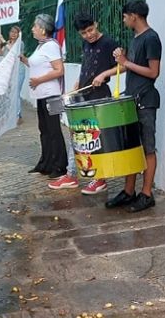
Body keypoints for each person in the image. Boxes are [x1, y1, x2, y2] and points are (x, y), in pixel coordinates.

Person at [92, 0, 162, 213]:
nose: (123, 20)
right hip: (131, 99)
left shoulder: (151, 38)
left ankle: (147, 193)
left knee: (148, 147)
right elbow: (127, 65)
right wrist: (107, 72)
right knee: (130, 146)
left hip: (146, 101)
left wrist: (125, 62)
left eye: (125, 16)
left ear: (134, 16)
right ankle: (129, 190)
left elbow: (153, 72)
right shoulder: (136, 38)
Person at [49, 12, 119, 192]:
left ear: (96, 24)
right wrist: (78, 83)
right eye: (84, 33)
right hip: (84, 95)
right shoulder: (86, 44)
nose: (89, 35)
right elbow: (87, 65)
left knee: (96, 139)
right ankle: (72, 175)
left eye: (91, 30)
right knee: (78, 136)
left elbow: (123, 65)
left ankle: (100, 178)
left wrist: (104, 75)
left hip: (100, 96)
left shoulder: (108, 43)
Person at [20, 14, 67, 179]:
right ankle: (46, 163)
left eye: (34, 26)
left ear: (42, 29)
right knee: (44, 130)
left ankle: (60, 165)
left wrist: (39, 80)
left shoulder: (51, 46)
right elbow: (37, 65)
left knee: (54, 130)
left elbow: (59, 70)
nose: (32, 29)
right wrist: (23, 59)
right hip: (41, 95)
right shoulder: (41, 46)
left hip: (52, 95)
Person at [0, 25, 25, 124]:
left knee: (16, 92)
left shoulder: (19, 43)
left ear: (18, 34)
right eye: (11, 32)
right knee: (10, 93)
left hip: (18, 71)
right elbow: (0, 53)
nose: (13, 34)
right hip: (8, 72)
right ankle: (16, 114)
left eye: (15, 32)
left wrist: (3, 41)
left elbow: (14, 52)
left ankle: (18, 116)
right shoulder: (7, 43)